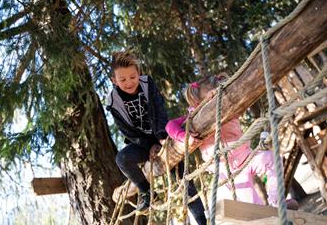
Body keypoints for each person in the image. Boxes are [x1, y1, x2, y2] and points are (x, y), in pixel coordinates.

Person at [106, 50, 206, 224]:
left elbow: (160, 111)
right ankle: (146, 191)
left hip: (164, 138)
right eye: (122, 80)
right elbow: (127, 131)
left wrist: (161, 138)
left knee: (184, 180)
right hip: (142, 144)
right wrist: (148, 146)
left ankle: (202, 220)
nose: (129, 82)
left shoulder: (147, 84)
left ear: (139, 73)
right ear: (114, 81)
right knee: (122, 159)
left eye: (133, 77)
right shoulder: (113, 102)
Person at [166, 74, 279, 207]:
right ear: (198, 103)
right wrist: (184, 137)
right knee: (250, 204)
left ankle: (277, 202)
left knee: (271, 159)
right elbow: (170, 125)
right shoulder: (194, 118)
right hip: (224, 170)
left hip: (246, 157)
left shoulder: (229, 106)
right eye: (211, 97)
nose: (216, 99)